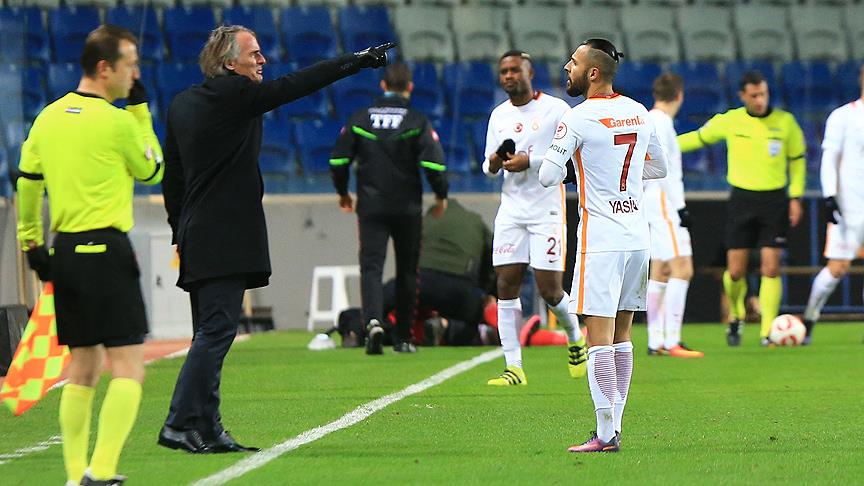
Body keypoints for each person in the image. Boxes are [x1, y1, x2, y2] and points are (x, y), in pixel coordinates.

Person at [160, 25, 394, 453]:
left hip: (196, 234)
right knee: (216, 332)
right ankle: (178, 422)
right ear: (229, 63)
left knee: (209, 333)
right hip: (225, 233)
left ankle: (208, 427)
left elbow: (172, 177)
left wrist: (179, 229)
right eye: (254, 54)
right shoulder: (237, 94)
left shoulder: (181, 104)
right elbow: (298, 84)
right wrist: (356, 61)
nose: (262, 60)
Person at [16, 25, 163, 485]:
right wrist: (139, 112)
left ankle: (74, 474)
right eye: (130, 65)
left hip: (65, 252)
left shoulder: (47, 118)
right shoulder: (117, 122)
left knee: (82, 367)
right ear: (104, 68)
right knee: (128, 366)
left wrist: (32, 244)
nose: (135, 74)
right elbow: (153, 169)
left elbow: (27, 183)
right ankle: (101, 472)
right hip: (107, 251)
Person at [539, 38, 668, 453]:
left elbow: (547, 176)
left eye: (573, 62)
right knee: (622, 336)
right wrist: (617, 177)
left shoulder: (577, 118)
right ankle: (616, 425)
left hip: (601, 241)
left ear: (592, 73)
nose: (567, 67)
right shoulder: (638, 111)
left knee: (598, 340)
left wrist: (584, 169)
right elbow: (659, 167)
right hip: (637, 238)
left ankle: (606, 433)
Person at [481, 50, 587, 387]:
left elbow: (573, 156)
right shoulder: (498, 115)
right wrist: (496, 161)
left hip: (546, 209)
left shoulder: (556, 110)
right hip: (512, 210)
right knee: (505, 285)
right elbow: (488, 167)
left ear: (530, 73)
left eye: (515, 70)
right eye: (504, 71)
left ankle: (575, 336)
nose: (508, 76)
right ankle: (513, 367)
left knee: (550, 290)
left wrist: (532, 161)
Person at [678, 71, 806, 347]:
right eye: (754, 95)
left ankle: (767, 331)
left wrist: (795, 196)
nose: (760, 100)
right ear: (743, 96)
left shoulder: (786, 123)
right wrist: (661, 146)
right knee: (735, 271)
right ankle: (736, 314)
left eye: (764, 94)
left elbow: (797, 160)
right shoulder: (731, 121)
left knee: (771, 268)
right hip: (742, 200)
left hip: (774, 200)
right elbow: (698, 138)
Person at [330, 62, 448, 355]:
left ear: (382, 86)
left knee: (371, 267)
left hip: (371, 206)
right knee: (408, 270)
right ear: (410, 87)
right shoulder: (416, 120)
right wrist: (440, 195)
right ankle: (404, 337)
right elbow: (434, 164)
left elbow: (338, 161)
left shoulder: (360, 118)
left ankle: (372, 322)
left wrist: (343, 192)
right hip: (407, 208)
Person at [802, 63, 864, 345]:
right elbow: (829, 159)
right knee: (837, 268)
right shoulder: (843, 116)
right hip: (848, 207)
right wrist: (829, 196)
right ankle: (809, 318)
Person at [644, 73, 703, 358]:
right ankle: (672, 340)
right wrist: (680, 207)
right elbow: (665, 169)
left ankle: (655, 339)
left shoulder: (647, 119)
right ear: (679, 95)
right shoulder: (663, 123)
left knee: (660, 270)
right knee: (683, 268)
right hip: (665, 201)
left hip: (650, 199)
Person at [381, 198, 495, 346]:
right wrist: (485, 291)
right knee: (473, 320)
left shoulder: (428, 218)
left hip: (420, 281)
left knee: (381, 303)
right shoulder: (476, 221)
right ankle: (445, 327)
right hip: (459, 286)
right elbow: (492, 261)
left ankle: (377, 330)